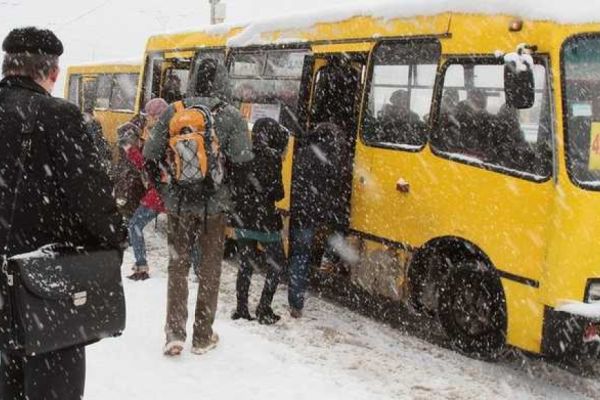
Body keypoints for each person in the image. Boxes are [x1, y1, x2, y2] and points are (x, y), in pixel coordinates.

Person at [0, 27, 125, 400]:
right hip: (44, 290)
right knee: (53, 388)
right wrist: (112, 244)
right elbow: (92, 200)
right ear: (53, 72)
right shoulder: (58, 116)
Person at [144, 59, 253, 356]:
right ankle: (203, 336)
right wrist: (227, 194)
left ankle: (174, 334)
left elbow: (150, 154)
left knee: (177, 267)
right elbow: (243, 164)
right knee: (209, 270)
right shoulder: (231, 115)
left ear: (191, 80)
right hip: (214, 208)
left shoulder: (173, 111)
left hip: (179, 205)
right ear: (223, 82)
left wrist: (166, 192)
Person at [288, 122, 350, 319]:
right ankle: (329, 256)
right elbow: (338, 186)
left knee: (300, 256)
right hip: (323, 212)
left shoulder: (303, 154)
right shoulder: (337, 158)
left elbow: (296, 181)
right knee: (339, 228)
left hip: (302, 212)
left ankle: (296, 303)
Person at [231, 118, 289, 324]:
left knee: (245, 264)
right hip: (265, 221)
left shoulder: (241, 154)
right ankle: (264, 308)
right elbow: (278, 193)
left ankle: (241, 309)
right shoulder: (272, 157)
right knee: (277, 263)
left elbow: (234, 186)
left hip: (242, 219)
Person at [125, 98, 169, 281]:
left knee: (135, 225)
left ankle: (141, 266)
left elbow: (147, 165)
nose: (146, 119)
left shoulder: (159, 136)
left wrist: (130, 149)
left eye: (148, 116)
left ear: (155, 116)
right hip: (170, 191)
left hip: (161, 191)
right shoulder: (169, 131)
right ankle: (200, 270)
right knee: (186, 232)